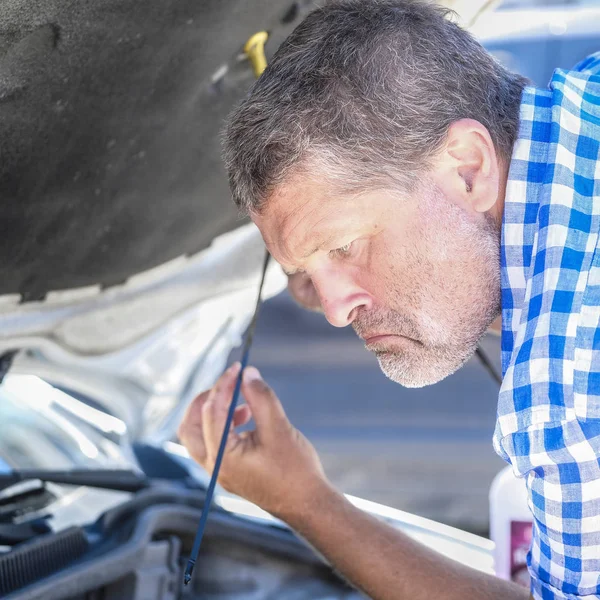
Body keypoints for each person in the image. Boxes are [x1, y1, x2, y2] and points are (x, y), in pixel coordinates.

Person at [177, 2, 600, 598]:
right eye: (303, 271)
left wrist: (309, 504)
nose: (333, 310)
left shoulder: (566, 402)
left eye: (346, 244)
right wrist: (332, 257)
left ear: (469, 168)